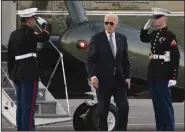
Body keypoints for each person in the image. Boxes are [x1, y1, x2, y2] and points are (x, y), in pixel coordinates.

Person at [86, 13, 131, 131]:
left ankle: (121, 129)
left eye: (111, 23)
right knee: (103, 110)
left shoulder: (122, 39)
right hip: (103, 80)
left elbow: (125, 61)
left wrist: (128, 77)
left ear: (116, 24)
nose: (108, 25)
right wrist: (93, 76)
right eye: (106, 23)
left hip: (119, 80)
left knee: (124, 107)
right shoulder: (97, 39)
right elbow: (90, 61)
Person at [7, 8, 50, 131]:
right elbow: (45, 36)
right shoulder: (29, 33)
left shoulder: (14, 34)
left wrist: (12, 73)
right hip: (29, 74)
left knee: (20, 106)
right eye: (33, 19)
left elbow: (10, 57)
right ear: (30, 20)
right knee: (29, 108)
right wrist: (45, 25)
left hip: (17, 74)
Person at [140, 7, 180, 131]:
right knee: (157, 105)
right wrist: (145, 28)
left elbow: (175, 57)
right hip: (153, 73)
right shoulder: (154, 34)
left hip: (164, 74)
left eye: (157, 17)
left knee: (165, 105)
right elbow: (143, 38)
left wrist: (173, 76)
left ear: (164, 18)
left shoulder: (169, 35)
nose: (154, 20)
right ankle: (160, 128)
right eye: (154, 17)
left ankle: (168, 129)